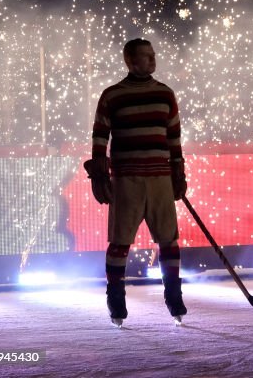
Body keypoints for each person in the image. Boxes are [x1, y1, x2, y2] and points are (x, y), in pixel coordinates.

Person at [85, 38, 187, 326]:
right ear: (130, 61)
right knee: (120, 242)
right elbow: (99, 137)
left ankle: (173, 295)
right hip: (126, 178)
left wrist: (179, 173)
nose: (152, 60)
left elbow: (174, 138)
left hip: (160, 178)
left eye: (153, 55)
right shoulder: (112, 95)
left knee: (169, 239)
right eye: (146, 56)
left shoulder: (165, 94)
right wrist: (100, 174)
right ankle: (116, 297)